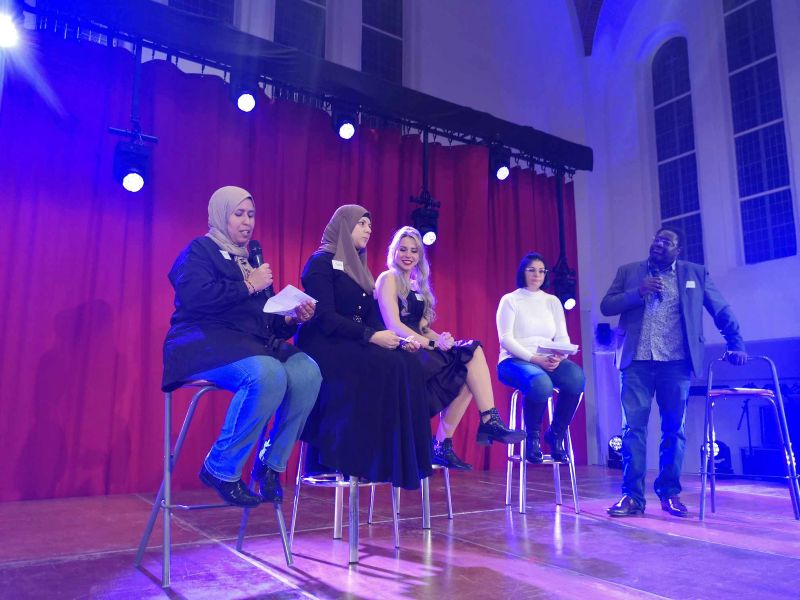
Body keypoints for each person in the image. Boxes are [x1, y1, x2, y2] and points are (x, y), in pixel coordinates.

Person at [161, 186, 322, 507]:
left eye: (251, 215)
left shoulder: (251, 262)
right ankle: (220, 467)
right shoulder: (200, 250)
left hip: (249, 343)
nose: (247, 222)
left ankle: (271, 464)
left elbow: (267, 323)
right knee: (267, 373)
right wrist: (249, 285)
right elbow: (195, 296)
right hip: (203, 341)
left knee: (308, 372)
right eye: (239, 214)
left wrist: (291, 317)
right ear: (221, 215)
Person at [601, 227, 746, 518]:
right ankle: (632, 497)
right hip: (636, 362)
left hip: (676, 364)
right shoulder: (629, 271)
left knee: (673, 431)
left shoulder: (695, 274)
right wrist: (638, 292)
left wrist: (736, 342)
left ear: (677, 251)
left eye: (666, 242)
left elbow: (720, 309)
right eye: (657, 239)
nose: (659, 244)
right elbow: (607, 305)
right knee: (632, 430)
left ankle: (669, 493)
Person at [297, 206, 432, 490]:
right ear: (344, 226)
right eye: (361, 224)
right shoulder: (320, 262)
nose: (368, 230)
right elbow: (326, 318)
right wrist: (371, 336)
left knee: (406, 361)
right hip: (325, 343)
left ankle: (398, 459)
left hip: (354, 339)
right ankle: (363, 456)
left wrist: (398, 341)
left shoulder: (359, 268)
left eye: (370, 225)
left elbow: (371, 317)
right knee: (388, 364)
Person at [375, 226, 524, 471]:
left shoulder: (417, 285)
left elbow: (423, 328)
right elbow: (394, 325)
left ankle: (451, 440)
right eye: (403, 249)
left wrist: (444, 340)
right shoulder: (388, 278)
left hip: (420, 345)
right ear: (394, 252)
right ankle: (484, 424)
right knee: (467, 361)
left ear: (420, 256)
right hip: (399, 349)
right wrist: (432, 344)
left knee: (471, 354)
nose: (408, 255)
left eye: (414, 251)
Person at [495, 252, 586, 464]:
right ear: (523, 272)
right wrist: (534, 359)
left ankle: (556, 434)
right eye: (532, 270)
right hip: (514, 360)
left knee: (576, 379)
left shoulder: (552, 301)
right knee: (541, 383)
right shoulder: (510, 300)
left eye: (541, 271)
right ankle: (532, 439)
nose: (537, 275)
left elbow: (562, 337)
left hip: (548, 358)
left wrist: (560, 355)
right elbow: (506, 339)